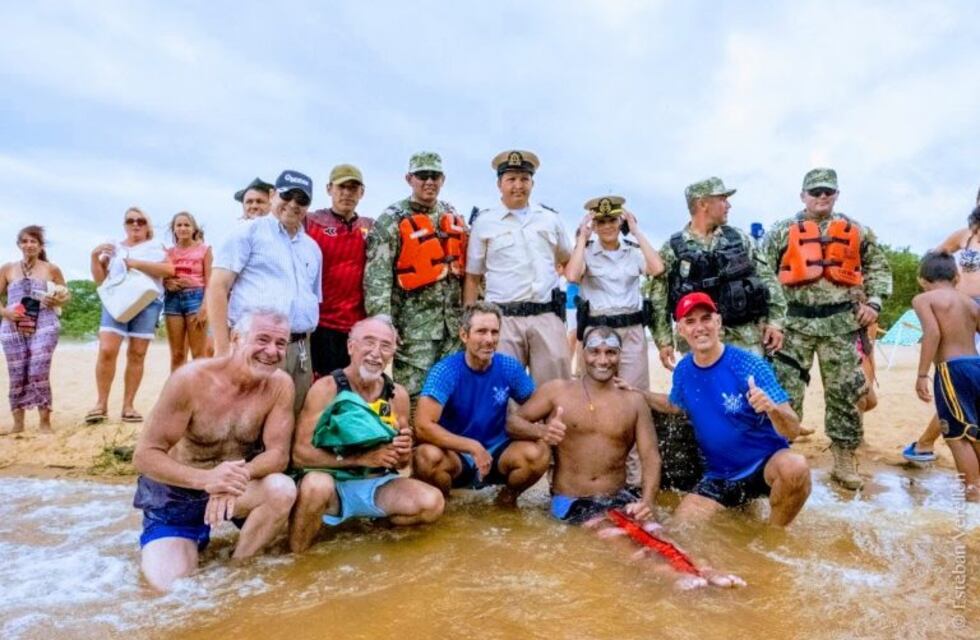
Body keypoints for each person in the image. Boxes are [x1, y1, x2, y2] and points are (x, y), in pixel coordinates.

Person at [516, 324, 746, 589]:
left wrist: (647, 502)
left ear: (619, 355)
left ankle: (706, 569)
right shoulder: (558, 391)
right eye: (595, 352)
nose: (603, 360)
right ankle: (679, 579)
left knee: (657, 532)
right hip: (572, 502)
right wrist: (542, 430)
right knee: (616, 536)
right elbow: (515, 421)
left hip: (619, 496)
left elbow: (651, 458)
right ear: (583, 353)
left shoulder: (633, 401)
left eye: (611, 352)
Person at [132, 308, 298, 591]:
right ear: (236, 338)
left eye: (280, 343)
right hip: (176, 497)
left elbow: (278, 455)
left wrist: (233, 477)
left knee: (282, 489)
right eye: (262, 340)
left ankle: (238, 568)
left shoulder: (280, 385)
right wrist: (207, 479)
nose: (271, 351)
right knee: (171, 592)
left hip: (232, 493)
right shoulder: (191, 380)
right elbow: (145, 456)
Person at [631, 293, 811, 526]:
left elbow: (792, 429)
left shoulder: (749, 364)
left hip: (763, 465)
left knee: (795, 467)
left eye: (706, 319)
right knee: (680, 531)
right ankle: (741, 508)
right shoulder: (684, 370)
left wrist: (772, 408)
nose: (700, 328)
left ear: (718, 322)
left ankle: (774, 534)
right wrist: (639, 393)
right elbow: (675, 405)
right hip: (719, 475)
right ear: (681, 330)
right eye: (690, 322)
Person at [763, 168, 892, 490]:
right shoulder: (782, 230)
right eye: (816, 191)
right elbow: (762, 272)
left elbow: (878, 268)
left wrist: (873, 303)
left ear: (836, 194)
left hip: (841, 326)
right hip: (794, 326)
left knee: (846, 393)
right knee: (784, 393)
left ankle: (844, 458)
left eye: (828, 192)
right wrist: (769, 317)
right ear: (803, 195)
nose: (822, 197)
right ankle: (779, 456)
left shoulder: (857, 231)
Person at [289, 315, 444, 552]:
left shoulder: (397, 395)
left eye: (385, 346)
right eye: (368, 342)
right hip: (332, 487)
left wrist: (403, 451)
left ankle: (374, 539)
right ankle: (296, 558)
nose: (376, 353)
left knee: (432, 503)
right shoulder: (326, 388)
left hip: (375, 484)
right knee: (315, 485)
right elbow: (299, 455)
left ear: (392, 353)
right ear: (351, 347)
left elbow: (402, 462)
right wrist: (360, 458)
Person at [565, 195, 664, 484]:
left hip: (631, 332)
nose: (606, 226)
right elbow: (572, 275)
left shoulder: (633, 252)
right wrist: (582, 238)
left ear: (619, 221)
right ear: (593, 224)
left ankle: (633, 484)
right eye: (600, 221)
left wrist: (635, 231)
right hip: (598, 332)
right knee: (593, 402)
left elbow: (657, 268)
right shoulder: (586, 252)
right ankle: (594, 476)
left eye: (611, 220)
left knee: (633, 400)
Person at [412, 302, 552, 506]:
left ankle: (506, 499)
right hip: (457, 455)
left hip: (498, 451)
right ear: (464, 335)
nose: (489, 340)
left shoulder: (508, 366)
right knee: (425, 457)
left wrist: (548, 425)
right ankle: (446, 503)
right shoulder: (445, 371)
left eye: (494, 332)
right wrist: (472, 447)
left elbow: (537, 404)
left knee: (539, 453)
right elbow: (423, 426)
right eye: (481, 332)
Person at [208, 170, 322, 415]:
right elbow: (218, 287)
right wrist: (222, 349)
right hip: (255, 346)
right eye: (287, 195)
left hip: (299, 349)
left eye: (301, 200)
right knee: (247, 419)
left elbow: (310, 303)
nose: (293, 204)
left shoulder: (312, 249)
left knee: (291, 417)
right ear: (272, 195)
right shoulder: (247, 233)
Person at [647, 177, 786, 367]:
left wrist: (775, 323)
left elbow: (768, 280)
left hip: (744, 339)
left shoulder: (739, 239)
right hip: (697, 342)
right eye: (722, 199)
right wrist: (664, 342)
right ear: (703, 204)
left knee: (753, 393)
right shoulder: (672, 249)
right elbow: (659, 299)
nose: (728, 205)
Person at [363, 152, 466, 405]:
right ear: (409, 178)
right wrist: (383, 324)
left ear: (443, 179)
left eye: (435, 176)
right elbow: (377, 277)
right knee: (412, 398)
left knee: (451, 395)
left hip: (452, 327)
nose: (429, 182)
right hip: (413, 330)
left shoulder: (452, 214)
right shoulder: (393, 218)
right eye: (422, 176)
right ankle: (410, 444)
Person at [464, 150, 572, 385]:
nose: (518, 186)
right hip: (504, 320)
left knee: (556, 389)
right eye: (511, 179)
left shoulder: (550, 219)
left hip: (546, 316)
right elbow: (473, 277)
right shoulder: (484, 222)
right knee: (501, 392)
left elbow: (568, 260)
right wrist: (471, 322)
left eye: (524, 179)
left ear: (532, 182)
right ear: (499, 184)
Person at [905, 202, 980, 462]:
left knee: (961, 382)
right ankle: (927, 442)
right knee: (958, 381)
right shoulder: (966, 235)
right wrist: (949, 284)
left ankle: (929, 443)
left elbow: (931, 334)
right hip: (959, 307)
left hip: (971, 312)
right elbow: (937, 259)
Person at [88, 207, 174, 424]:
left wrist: (134, 263)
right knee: (107, 350)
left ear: (148, 225)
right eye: (130, 220)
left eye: (141, 221)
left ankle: (128, 405)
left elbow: (168, 271)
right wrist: (94, 257)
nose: (135, 224)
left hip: (147, 302)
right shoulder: (113, 247)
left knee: (137, 354)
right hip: (116, 300)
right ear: (124, 224)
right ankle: (101, 403)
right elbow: (100, 280)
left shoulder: (156, 247)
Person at [911, 251, 980, 501]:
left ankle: (973, 496)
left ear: (922, 279)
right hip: (976, 365)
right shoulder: (971, 303)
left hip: (952, 370)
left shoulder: (924, 299)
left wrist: (921, 374)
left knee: (957, 436)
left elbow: (933, 333)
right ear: (957, 276)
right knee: (976, 430)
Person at [306, 164, 373, 376]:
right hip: (321, 325)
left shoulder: (371, 228)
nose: (346, 193)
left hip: (357, 327)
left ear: (361, 192)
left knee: (354, 389)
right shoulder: (310, 222)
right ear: (329, 189)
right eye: (341, 187)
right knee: (322, 389)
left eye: (353, 188)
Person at [0, 226, 69, 434]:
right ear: (19, 244)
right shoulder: (8, 269)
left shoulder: (51, 269)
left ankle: (44, 422)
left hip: (45, 322)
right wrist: (6, 313)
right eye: (25, 241)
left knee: (38, 368)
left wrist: (58, 298)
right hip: (13, 325)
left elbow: (66, 295)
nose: (29, 245)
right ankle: (18, 423)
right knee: (16, 371)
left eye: (33, 241)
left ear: (40, 246)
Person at [163, 212, 211, 372]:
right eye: (179, 225)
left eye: (186, 225)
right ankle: (177, 395)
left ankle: (199, 396)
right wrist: (167, 282)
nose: (183, 228)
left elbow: (211, 281)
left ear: (193, 229)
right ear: (174, 229)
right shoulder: (168, 252)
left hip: (196, 298)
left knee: (198, 354)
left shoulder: (205, 250)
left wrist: (205, 306)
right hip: (172, 300)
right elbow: (161, 276)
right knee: (177, 355)